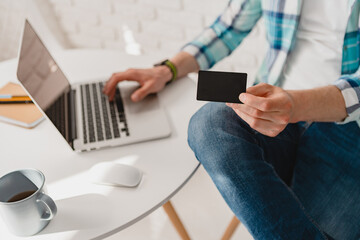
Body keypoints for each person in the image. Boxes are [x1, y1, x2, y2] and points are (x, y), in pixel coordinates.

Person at [103, 0, 360, 239]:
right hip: (272, 103)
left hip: (348, 124)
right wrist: (167, 69)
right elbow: (229, 26)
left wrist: (296, 105)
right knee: (210, 124)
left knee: (319, 228)